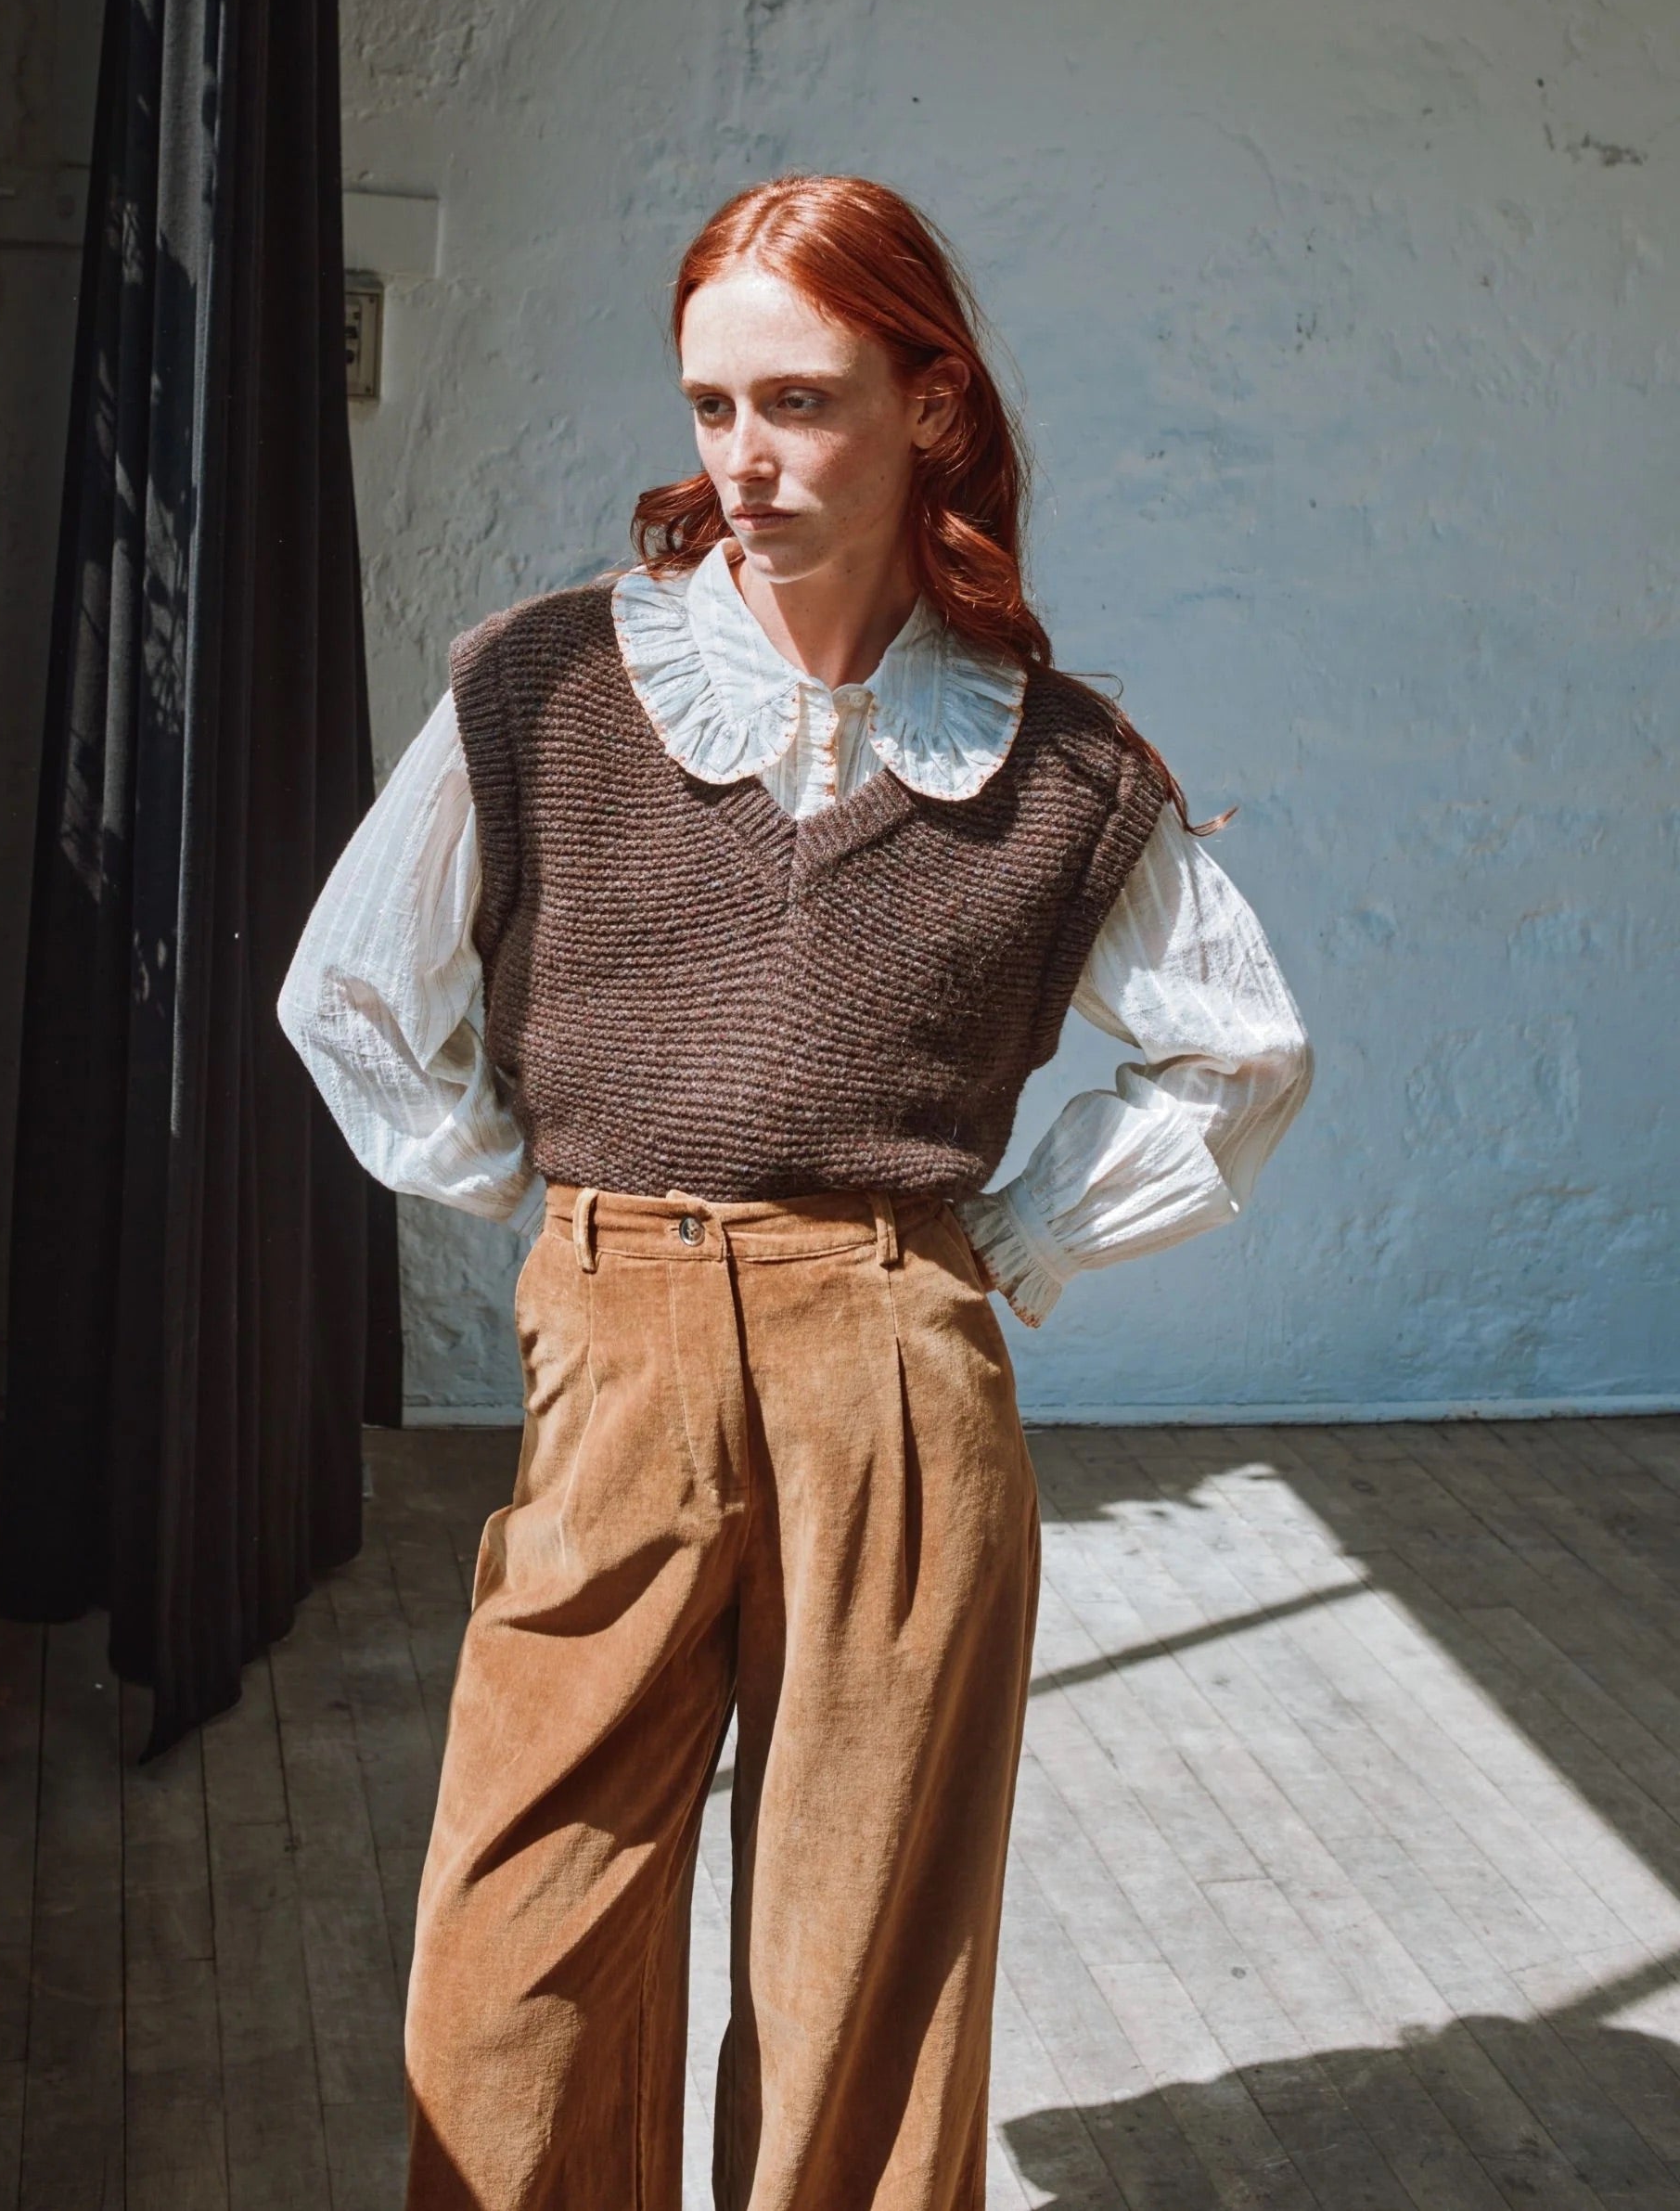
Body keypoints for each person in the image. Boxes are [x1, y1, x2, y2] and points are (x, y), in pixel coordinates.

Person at [276, 174, 1312, 2211]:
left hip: (899, 1377)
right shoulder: (547, 681)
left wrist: (1008, 1240)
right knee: (512, 1960)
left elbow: (1244, 1047)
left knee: (863, 1971)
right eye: (708, 404)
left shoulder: (1061, 766)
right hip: (618, 1351)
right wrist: (562, 1212)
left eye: (799, 402)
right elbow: (352, 998)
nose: (739, 460)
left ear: (931, 407)